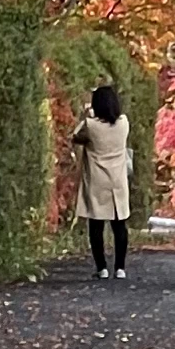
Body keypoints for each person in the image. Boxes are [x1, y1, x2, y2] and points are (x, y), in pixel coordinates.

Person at [74, 84, 134, 276]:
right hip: (118, 179)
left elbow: (76, 136)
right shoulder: (123, 123)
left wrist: (88, 114)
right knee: (119, 224)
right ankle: (120, 268)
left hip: (97, 179)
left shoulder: (91, 126)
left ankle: (101, 268)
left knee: (96, 224)